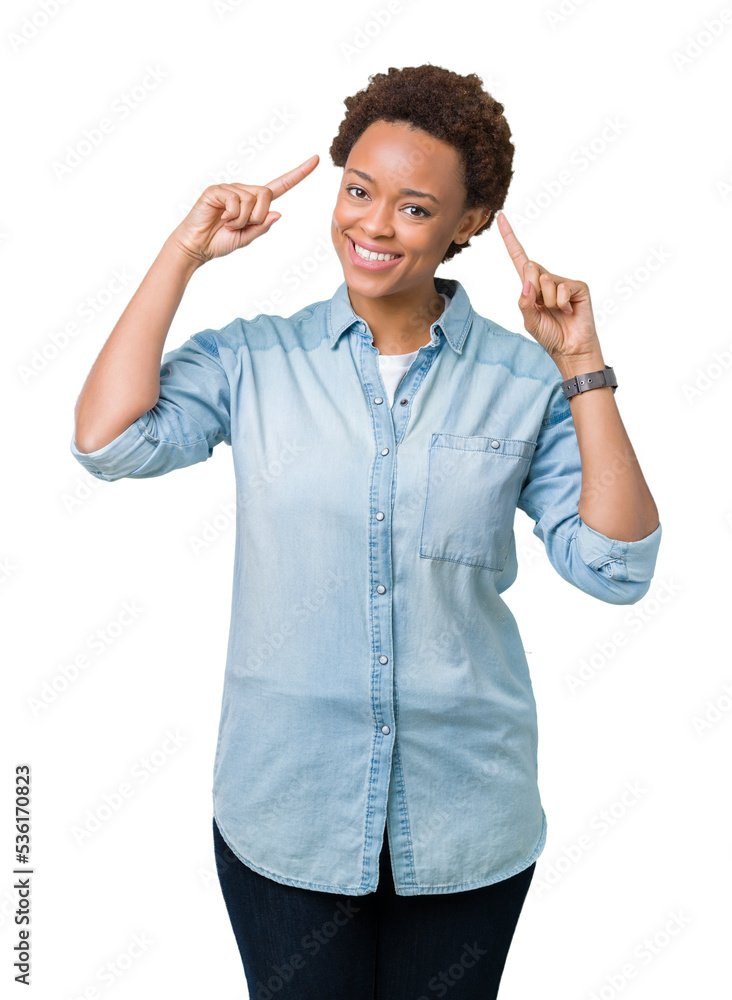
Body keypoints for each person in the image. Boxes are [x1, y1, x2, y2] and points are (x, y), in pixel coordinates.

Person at [70, 64, 662, 999]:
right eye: (358, 191)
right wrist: (182, 254)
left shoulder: (524, 379)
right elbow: (109, 441)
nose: (374, 225)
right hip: (289, 809)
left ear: (468, 222)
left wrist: (582, 364)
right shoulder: (256, 357)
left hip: (466, 816)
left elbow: (615, 567)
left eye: (415, 208)